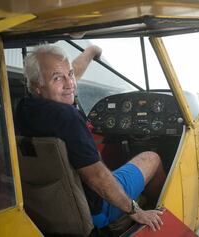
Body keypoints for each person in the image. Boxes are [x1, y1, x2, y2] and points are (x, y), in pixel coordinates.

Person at [15, 44, 165, 231]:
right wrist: (136, 211)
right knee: (152, 158)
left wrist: (91, 51)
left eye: (69, 74)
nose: (69, 83)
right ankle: (160, 217)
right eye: (57, 78)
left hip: (57, 205)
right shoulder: (67, 117)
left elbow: (67, 78)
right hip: (98, 207)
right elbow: (97, 178)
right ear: (38, 86)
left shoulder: (23, 108)